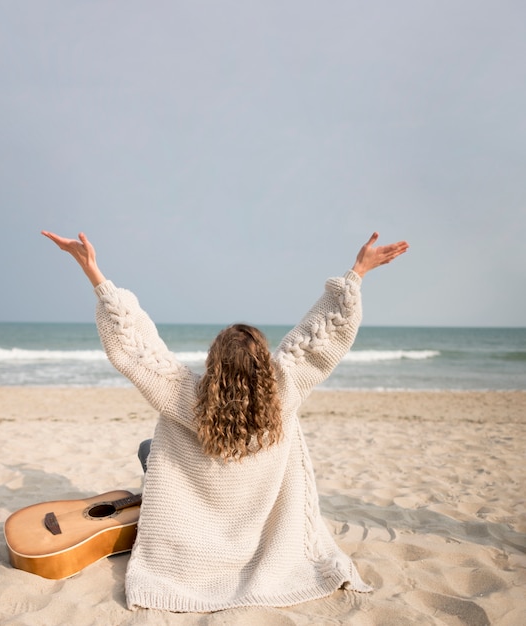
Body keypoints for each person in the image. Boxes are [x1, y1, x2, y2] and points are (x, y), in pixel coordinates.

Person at [42, 229, 409, 612]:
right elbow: (321, 338)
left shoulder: (182, 395)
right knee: (154, 452)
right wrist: (357, 272)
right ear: (265, 365)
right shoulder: (283, 392)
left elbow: (136, 346)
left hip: (196, 510)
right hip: (254, 502)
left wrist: (94, 273)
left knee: (150, 451)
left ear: (213, 363)